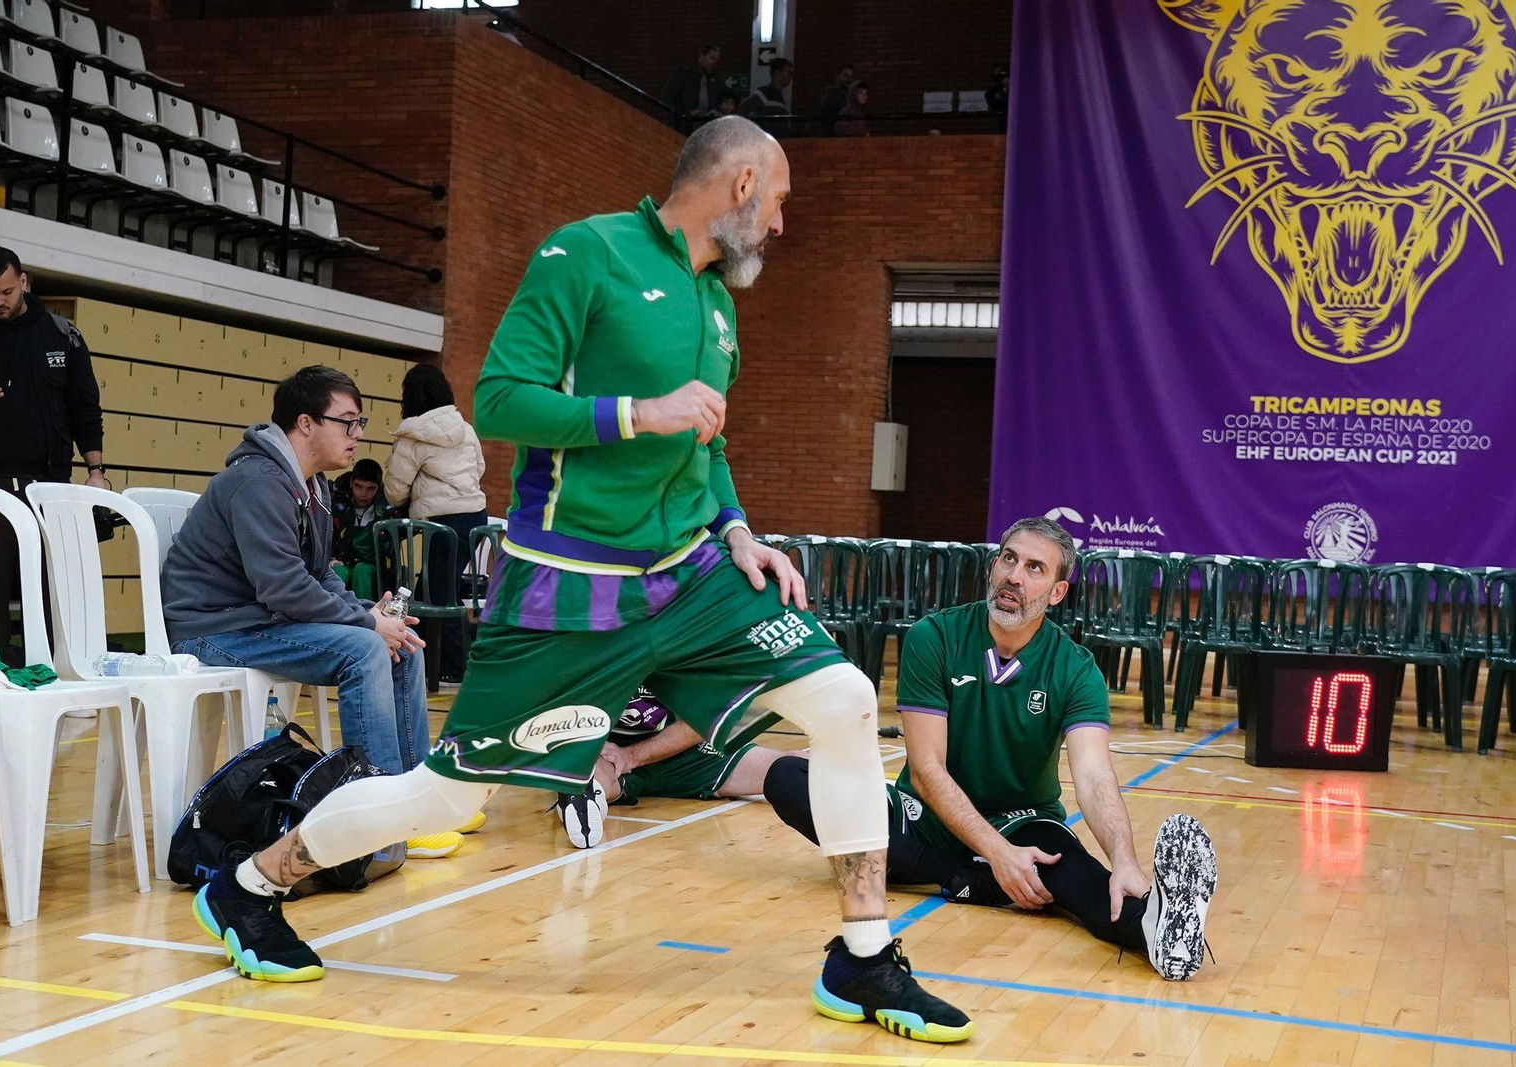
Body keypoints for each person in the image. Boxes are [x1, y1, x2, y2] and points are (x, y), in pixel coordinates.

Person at [185, 116, 974, 1046]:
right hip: (572, 584)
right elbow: (501, 400)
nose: (783, 225)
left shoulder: (719, 305)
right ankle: (248, 885)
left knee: (843, 699)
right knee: (449, 795)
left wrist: (737, 528)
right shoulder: (583, 254)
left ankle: (864, 956)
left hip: (693, 575)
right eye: (784, 203)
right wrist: (641, 412)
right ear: (744, 181)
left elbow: (706, 444)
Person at [764, 517, 1219, 982]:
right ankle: (961, 875)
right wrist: (995, 856)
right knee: (787, 777)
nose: (1014, 576)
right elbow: (925, 770)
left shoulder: (1076, 669)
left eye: (1035, 568)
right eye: (1008, 559)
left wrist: (1124, 860)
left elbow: (1094, 777)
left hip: (1021, 820)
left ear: (1057, 593)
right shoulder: (934, 637)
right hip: (922, 819)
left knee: (1078, 876)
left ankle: (1157, 928)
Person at [161, 366, 475, 859]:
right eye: (347, 422)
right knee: (367, 649)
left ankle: (417, 803)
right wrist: (368, 624)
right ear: (305, 423)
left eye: (359, 421)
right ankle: (380, 824)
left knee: (402, 646)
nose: (359, 434)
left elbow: (320, 575)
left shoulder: (316, 486)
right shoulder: (260, 481)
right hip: (215, 628)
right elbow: (284, 587)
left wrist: (370, 613)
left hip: (261, 620)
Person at [0, 247, 106, 665]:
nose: (0, 301)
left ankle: (52, 667)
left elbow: (85, 408)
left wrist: (96, 471)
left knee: (47, 585)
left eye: (7, 291)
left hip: (50, 482)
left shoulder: (64, 335)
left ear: (24, 282)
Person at [554, 686, 802, 848]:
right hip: (611, 753)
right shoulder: (580, 639)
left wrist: (633, 755)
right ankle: (580, 788)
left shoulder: (687, 630)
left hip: (683, 749)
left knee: (790, 767)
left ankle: (583, 786)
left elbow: (706, 719)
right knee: (590, 767)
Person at [383, 363, 488, 685]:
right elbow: (480, 468)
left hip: (442, 521)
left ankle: (451, 667)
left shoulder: (412, 435)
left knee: (439, 594)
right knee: (446, 588)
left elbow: (394, 489)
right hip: (475, 515)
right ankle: (447, 662)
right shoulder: (465, 428)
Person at [330, 458, 396, 602]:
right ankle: (333, 617)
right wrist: (331, 558)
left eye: (370, 488)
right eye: (358, 486)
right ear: (350, 483)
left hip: (373, 569)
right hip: (345, 563)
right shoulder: (337, 507)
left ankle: (365, 617)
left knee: (362, 570)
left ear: (379, 488)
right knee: (336, 571)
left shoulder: (386, 511)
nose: (363, 494)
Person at [662, 44, 723, 126]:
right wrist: (683, 116)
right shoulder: (684, 75)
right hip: (683, 128)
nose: (713, 63)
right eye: (711, 58)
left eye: (716, 60)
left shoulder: (713, 83)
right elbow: (667, 98)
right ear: (702, 55)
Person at [816, 64, 854, 134]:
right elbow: (827, 122)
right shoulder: (830, 97)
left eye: (851, 76)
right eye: (845, 75)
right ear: (837, 77)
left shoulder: (850, 98)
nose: (849, 79)